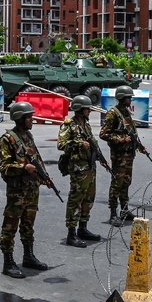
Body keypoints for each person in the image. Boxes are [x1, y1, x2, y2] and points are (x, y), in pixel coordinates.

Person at [0, 102, 51, 278]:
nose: (32, 119)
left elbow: (36, 158)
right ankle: (8, 262)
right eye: (29, 117)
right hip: (17, 192)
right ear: (20, 118)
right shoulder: (8, 139)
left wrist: (44, 177)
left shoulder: (28, 136)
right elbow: (4, 167)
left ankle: (28, 256)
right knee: (10, 226)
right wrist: (23, 168)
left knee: (28, 225)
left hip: (31, 189)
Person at [58, 95, 106, 247]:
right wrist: (79, 144)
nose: (89, 111)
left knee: (89, 198)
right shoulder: (69, 125)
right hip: (78, 168)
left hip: (89, 167)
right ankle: (71, 234)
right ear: (79, 109)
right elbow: (61, 144)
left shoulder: (85, 124)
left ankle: (83, 228)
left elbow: (93, 144)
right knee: (76, 200)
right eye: (87, 109)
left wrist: (101, 158)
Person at [100, 85, 147, 226]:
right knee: (117, 184)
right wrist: (120, 140)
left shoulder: (126, 113)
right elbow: (103, 134)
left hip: (128, 155)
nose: (130, 99)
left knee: (126, 182)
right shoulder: (113, 114)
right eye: (128, 97)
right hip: (119, 156)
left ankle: (125, 210)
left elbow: (132, 133)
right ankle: (113, 213)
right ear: (121, 98)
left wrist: (140, 146)